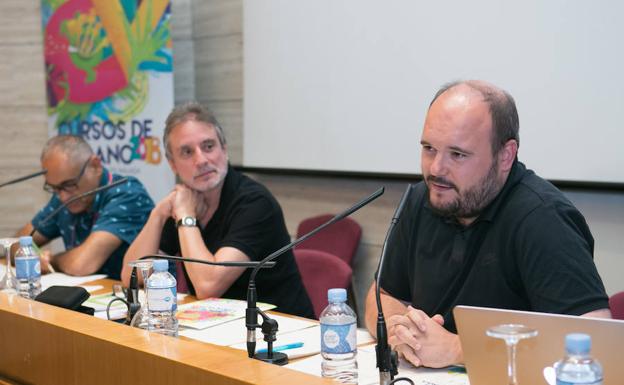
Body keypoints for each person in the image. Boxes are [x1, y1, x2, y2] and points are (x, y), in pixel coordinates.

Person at [364, 80, 611, 368]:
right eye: (429, 148)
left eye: (457, 154)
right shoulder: (423, 199)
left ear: (505, 156)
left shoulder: (543, 218)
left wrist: (458, 349)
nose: (436, 169)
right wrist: (402, 330)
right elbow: (381, 295)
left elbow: (593, 343)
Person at [121, 102, 314, 318]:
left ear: (225, 149)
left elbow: (208, 286)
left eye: (208, 146)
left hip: (279, 332)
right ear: (172, 164)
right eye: (187, 152)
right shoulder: (187, 199)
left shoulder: (255, 202)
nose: (201, 160)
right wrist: (158, 215)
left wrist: (186, 218)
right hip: (218, 327)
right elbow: (131, 275)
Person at [17, 135, 154, 280]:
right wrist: (35, 256)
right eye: (55, 188)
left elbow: (82, 264)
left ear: (95, 166)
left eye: (69, 184)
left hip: (137, 297)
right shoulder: (65, 195)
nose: (63, 197)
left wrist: (51, 260)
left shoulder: (127, 193)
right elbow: (18, 242)